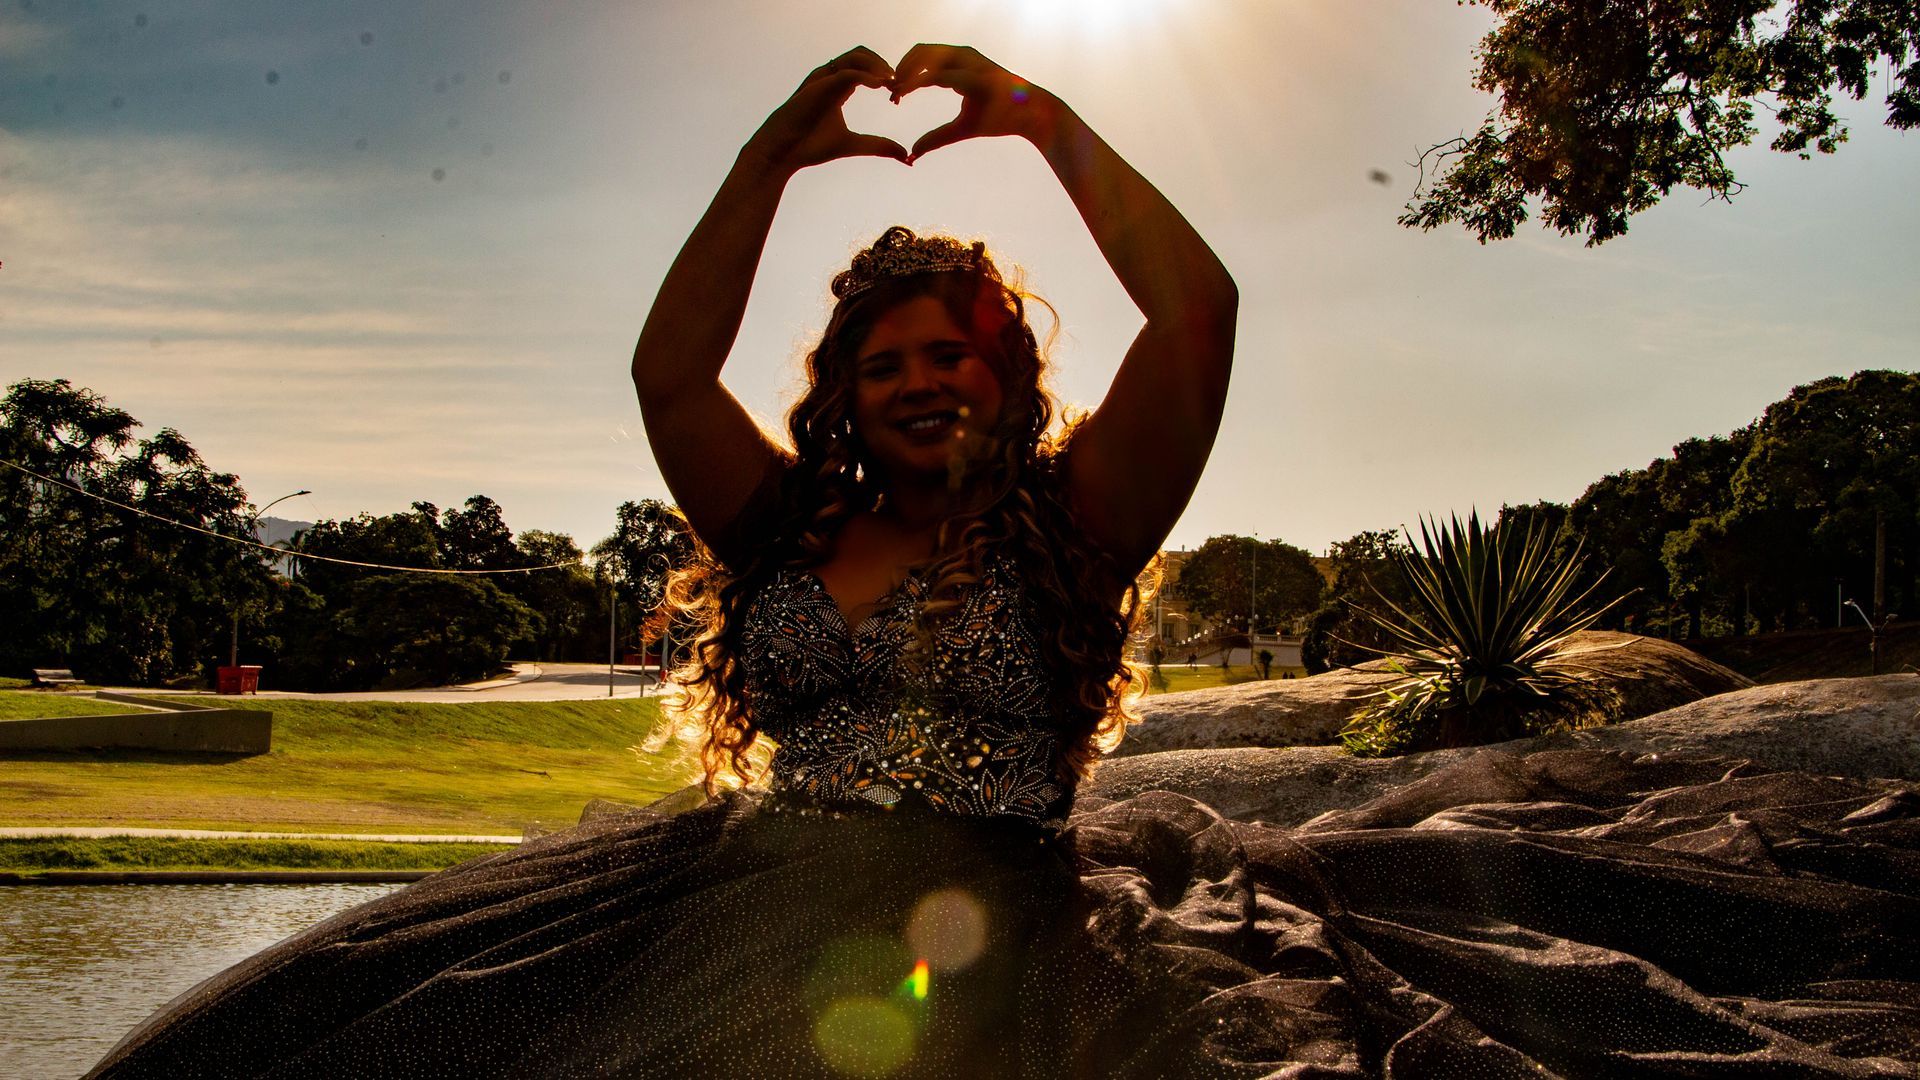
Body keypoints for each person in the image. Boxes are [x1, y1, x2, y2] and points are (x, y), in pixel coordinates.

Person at [91, 46, 1918, 1080]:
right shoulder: (784, 528)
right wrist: (773, 153)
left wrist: (1044, 121)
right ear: (850, 399)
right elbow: (665, 371)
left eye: (947, 353)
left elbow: (1199, 306)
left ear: (1001, 369)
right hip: (742, 910)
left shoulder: (1080, 519)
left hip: (1017, 953)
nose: (915, 383)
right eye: (882, 365)